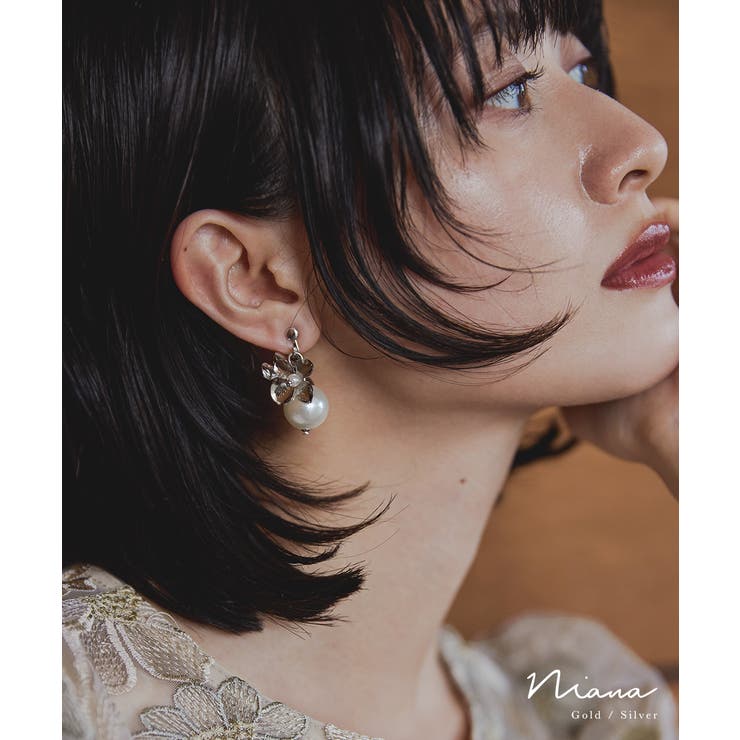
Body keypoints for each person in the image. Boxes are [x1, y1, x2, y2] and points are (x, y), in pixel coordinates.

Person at [63, 1, 679, 738]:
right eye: (508, 90)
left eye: (580, 69)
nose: (642, 144)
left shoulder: (581, 707)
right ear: (256, 280)